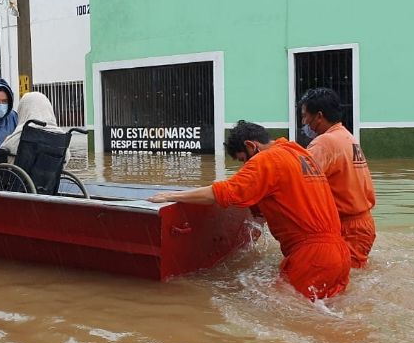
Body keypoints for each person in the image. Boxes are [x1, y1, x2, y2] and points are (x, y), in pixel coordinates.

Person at [147, 120, 351, 300]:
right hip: (341, 254)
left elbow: (223, 193)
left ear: (251, 146)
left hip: (313, 257)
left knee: (279, 314)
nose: (246, 165)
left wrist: (172, 196)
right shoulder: (299, 153)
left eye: (243, 160)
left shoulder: (266, 159)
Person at [299, 88, 376, 269]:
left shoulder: (324, 143)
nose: (303, 122)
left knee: (339, 286)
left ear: (319, 116)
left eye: (304, 116)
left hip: (347, 227)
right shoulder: (347, 137)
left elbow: (299, 182)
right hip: (362, 223)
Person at [0, 91, 70, 163]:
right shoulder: (60, 136)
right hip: (48, 173)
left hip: (18, 173)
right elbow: (65, 160)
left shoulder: (20, 135)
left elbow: (2, 155)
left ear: (23, 109)